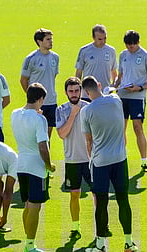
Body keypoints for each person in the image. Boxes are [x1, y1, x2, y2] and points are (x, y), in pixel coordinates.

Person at [80, 76, 137, 252]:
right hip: (120, 159)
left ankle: (100, 244)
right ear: (98, 85)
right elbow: (112, 91)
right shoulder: (115, 101)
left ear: (86, 93)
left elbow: (88, 141)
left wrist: (92, 159)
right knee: (123, 200)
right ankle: (128, 242)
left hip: (100, 162)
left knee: (102, 203)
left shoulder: (86, 111)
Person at [11, 83, 55, 252]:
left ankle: (28, 242)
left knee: (28, 205)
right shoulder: (40, 119)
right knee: (35, 207)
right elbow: (43, 146)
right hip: (36, 167)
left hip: (21, 164)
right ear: (41, 99)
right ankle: (30, 246)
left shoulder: (15, 114)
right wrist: (49, 165)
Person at [113, 30, 147, 172]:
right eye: (128, 45)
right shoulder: (123, 55)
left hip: (137, 97)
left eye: (133, 45)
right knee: (121, 127)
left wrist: (140, 88)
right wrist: (114, 86)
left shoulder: (146, 56)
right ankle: (122, 158)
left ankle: (144, 160)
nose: (130, 48)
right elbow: (120, 76)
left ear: (138, 42)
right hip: (122, 95)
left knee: (138, 127)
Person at [56, 77, 91, 241]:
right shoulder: (61, 110)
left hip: (90, 160)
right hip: (72, 160)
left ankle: (100, 225)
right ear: (66, 92)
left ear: (81, 91)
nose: (74, 94)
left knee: (98, 193)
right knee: (74, 194)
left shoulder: (89, 108)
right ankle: (75, 226)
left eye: (77, 90)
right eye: (71, 91)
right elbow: (62, 134)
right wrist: (73, 114)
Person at [20, 28, 59, 139]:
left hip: (51, 101)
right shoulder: (31, 59)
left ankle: (46, 157)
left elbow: (53, 75)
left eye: (51, 39)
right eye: (48, 39)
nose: (51, 41)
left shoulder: (55, 57)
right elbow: (23, 80)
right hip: (36, 104)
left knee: (47, 137)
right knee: (35, 136)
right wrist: (32, 98)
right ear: (39, 42)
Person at [75, 24, 117, 101]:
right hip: (87, 94)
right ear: (93, 38)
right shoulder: (84, 50)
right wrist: (77, 89)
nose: (103, 41)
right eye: (100, 39)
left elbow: (114, 72)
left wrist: (113, 86)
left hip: (104, 94)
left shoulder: (111, 51)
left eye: (105, 38)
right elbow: (78, 72)